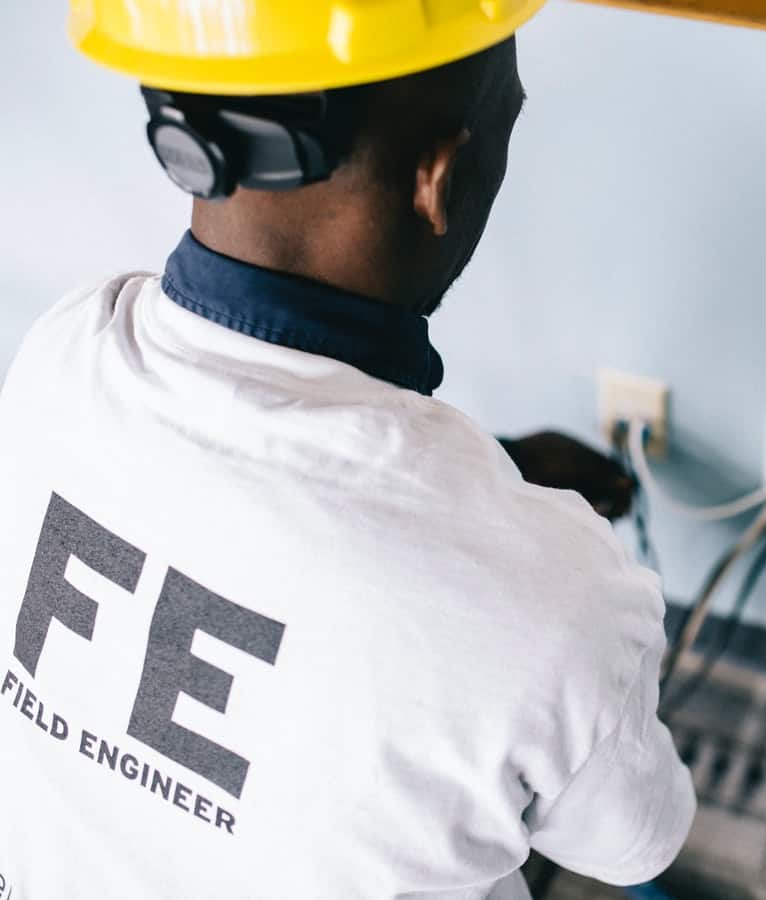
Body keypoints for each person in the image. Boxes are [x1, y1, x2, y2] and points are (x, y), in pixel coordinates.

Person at [0, 3, 696, 898]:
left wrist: (495, 506)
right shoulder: (564, 601)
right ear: (440, 180)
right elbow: (639, 842)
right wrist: (528, 562)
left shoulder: (62, 354)